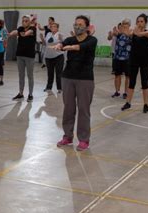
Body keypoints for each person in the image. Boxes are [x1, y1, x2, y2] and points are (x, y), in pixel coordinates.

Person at [53, 15, 98, 151]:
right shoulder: (69, 39)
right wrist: (60, 45)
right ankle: (67, 136)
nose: (77, 26)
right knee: (68, 109)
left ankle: (84, 139)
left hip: (85, 79)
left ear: (86, 26)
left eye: (80, 24)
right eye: (75, 24)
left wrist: (71, 47)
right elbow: (63, 44)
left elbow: (81, 47)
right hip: (67, 78)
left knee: (84, 110)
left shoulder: (92, 40)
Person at [121, 13, 148, 113]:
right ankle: (128, 103)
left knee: (144, 83)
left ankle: (146, 104)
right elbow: (127, 33)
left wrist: (134, 31)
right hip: (134, 60)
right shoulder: (133, 31)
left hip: (145, 61)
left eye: (141, 21)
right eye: (138, 21)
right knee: (132, 83)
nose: (139, 23)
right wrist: (124, 28)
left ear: (145, 23)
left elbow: (139, 34)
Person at [9, 15, 37, 102]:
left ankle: (30, 94)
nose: (24, 22)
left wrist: (24, 34)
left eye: (26, 21)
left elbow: (28, 33)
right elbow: (15, 31)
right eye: (23, 21)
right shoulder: (20, 28)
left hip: (29, 56)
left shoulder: (33, 29)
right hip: (20, 55)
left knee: (30, 75)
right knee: (21, 75)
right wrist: (10, 34)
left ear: (29, 22)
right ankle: (21, 93)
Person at [110, 19, 132, 99]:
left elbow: (129, 35)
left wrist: (120, 32)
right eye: (123, 23)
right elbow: (109, 37)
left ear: (129, 25)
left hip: (127, 58)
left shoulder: (131, 32)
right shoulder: (118, 32)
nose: (124, 25)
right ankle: (117, 91)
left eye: (126, 23)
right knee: (117, 75)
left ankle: (126, 92)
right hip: (117, 57)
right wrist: (111, 34)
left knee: (128, 76)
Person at [42, 22, 64, 94]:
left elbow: (62, 44)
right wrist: (42, 38)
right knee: (50, 73)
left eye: (54, 26)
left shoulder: (60, 35)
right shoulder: (48, 34)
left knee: (58, 73)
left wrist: (61, 40)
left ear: (57, 28)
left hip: (58, 56)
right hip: (48, 56)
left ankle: (60, 88)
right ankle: (48, 87)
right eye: (51, 27)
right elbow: (45, 44)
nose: (53, 28)